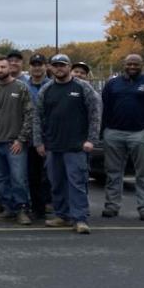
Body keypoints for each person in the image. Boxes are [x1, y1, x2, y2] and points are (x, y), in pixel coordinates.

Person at [35, 54, 101, 235]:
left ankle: (79, 218)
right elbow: (38, 118)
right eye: (55, 65)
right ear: (51, 68)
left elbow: (95, 114)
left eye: (62, 65)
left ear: (69, 67)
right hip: (53, 146)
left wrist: (91, 140)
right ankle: (61, 215)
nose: (59, 68)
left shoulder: (83, 87)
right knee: (56, 183)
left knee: (76, 183)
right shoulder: (46, 90)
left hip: (76, 146)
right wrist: (39, 142)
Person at [100, 53, 144, 221]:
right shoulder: (112, 84)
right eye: (129, 64)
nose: (132, 67)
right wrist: (104, 130)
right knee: (113, 172)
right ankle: (112, 206)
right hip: (114, 133)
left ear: (142, 65)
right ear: (124, 64)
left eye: (136, 64)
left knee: (143, 172)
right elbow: (104, 107)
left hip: (139, 134)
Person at [0, 56, 35, 225]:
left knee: (18, 178)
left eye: (3, 67)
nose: (0, 70)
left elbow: (29, 115)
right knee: (1, 179)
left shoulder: (21, 88)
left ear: (9, 68)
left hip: (15, 143)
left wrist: (21, 139)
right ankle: (8, 208)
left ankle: (22, 209)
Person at [21, 54, 51, 218]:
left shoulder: (52, 85)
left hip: (49, 138)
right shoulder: (22, 86)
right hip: (29, 138)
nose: (37, 67)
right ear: (30, 66)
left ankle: (49, 204)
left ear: (45, 66)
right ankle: (37, 209)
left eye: (40, 64)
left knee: (49, 176)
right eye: (34, 64)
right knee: (33, 176)